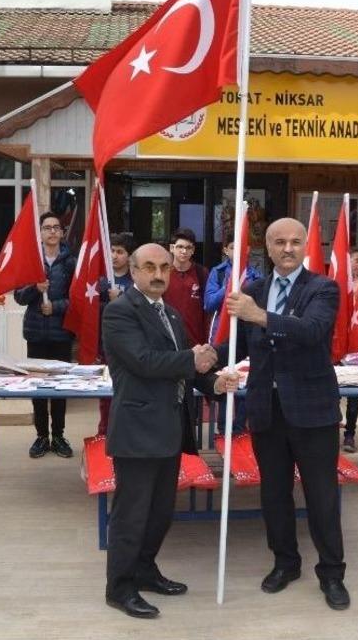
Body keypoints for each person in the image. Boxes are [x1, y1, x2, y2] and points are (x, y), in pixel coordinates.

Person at [102, 243, 238, 619]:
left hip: (169, 429)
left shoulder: (172, 315)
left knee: (160, 512)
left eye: (163, 267)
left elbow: (185, 371)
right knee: (131, 515)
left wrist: (213, 384)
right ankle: (120, 587)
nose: (158, 274)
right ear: (133, 272)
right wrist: (192, 357)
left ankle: (145, 570)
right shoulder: (120, 312)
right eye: (149, 267)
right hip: (137, 430)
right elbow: (144, 362)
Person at [225, 217, 351, 611]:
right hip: (267, 409)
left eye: (296, 242)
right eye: (279, 242)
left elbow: (311, 331)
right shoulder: (252, 290)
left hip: (313, 411)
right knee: (274, 493)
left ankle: (331, 573)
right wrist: (209, 360)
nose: (288, 248)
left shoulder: (323, 288)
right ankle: (285, 562)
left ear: (306, 246)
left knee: (322, 496)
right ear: (268, 245)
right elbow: (232, 342)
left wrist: (258, 315)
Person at [13, 211, 76, 459]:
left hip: (61, 333)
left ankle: (58, 435)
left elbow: (81, 298)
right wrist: (34, 289)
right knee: (38, 387)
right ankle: (41, 436)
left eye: (56, 227)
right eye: (47, 227)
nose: (52, 231)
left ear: (61, 232)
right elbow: (18, 296)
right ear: (39, 232)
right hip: (36, 333)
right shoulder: (30, 260)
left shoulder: (71, 262)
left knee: (59, 387)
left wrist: (56, 306)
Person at [204, 229, 262, 435]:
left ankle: (239, 428)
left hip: (247, 333)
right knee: (226, 378)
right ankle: (223, 428)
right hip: (223, 331)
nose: (237, 251)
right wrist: (229, 287)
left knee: (246, 379)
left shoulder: (256, 275)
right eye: (232, 247)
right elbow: (209, 303)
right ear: (225, 250)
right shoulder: (217, 272)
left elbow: (261, 306)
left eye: (242, 247)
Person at [96, 231, 135, 436]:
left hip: (130, 347)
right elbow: (91, 309)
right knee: (105, 393)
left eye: (120, 251)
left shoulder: (135, 280)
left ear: (129, 256)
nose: (114, 255)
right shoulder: (100, 280)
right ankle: (104, 430)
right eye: (111, 250)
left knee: (128, 391)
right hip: (105, 345)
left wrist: (122, 298)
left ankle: (125, 431)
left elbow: (141, 308)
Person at [163, 227, 209, 347]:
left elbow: (207, 309)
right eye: (180, 247)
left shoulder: (202, 273)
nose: (184, 251)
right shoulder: (163, 272)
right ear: (171, 248)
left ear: (193, 250)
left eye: (188, 248)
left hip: (196, 341)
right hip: (168, 338)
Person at [342, 248, 358, 453]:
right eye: (356, 260)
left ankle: (350, 434)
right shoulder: (336, 284)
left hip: (357, 346)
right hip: (338, 345)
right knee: (334, 392)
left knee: (355, 394)